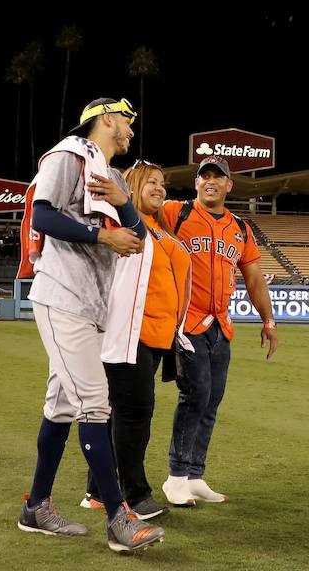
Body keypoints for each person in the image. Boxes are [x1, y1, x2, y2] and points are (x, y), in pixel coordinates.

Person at [16, 97, 165, 552]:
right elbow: (42, 214)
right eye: (126, 121)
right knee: (96, 404)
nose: (131, 131)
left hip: (91, 304)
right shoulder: (68, 154)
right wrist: (102, 233)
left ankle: (36, 506)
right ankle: (119, 519)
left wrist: (126, 206)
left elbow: (140, 240)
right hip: (62, 295)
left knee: (61, 407)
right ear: (105, 119)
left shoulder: (115, 177)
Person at [160, 154, 278, 505]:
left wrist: (268, 320)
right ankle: (176, 476)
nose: (210, 181)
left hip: (221, 326)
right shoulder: (175, 212)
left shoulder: (240, 228)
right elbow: (139, 207)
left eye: (218, 177)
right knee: (194, 395)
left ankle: (195, 474)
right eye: (204, 176)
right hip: (186, 322)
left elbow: (254, 278)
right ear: (196, 183)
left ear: (229, 184)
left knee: (211, 400)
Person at [80, 161, 192, 520]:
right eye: (152, 183)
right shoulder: (120, 223)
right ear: (132, 186)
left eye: (163, 184)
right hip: (129, 334)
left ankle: (97, 491)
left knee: (119, 413)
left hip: (158, 336)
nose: (160, 189)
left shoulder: (160, 228)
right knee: (135, 416)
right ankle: (135, 494)